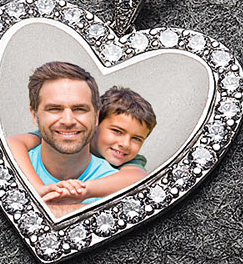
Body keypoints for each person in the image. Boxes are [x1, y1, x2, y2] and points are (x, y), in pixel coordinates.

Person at [9, 73, 157, 213]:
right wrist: (38, 188)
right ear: (95, 122)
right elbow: (14, 143)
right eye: (117, 131)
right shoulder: (65, 136)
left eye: (137, 139)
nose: (125, 144)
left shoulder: (127, 160)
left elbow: (138, 178)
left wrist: (82, 190)